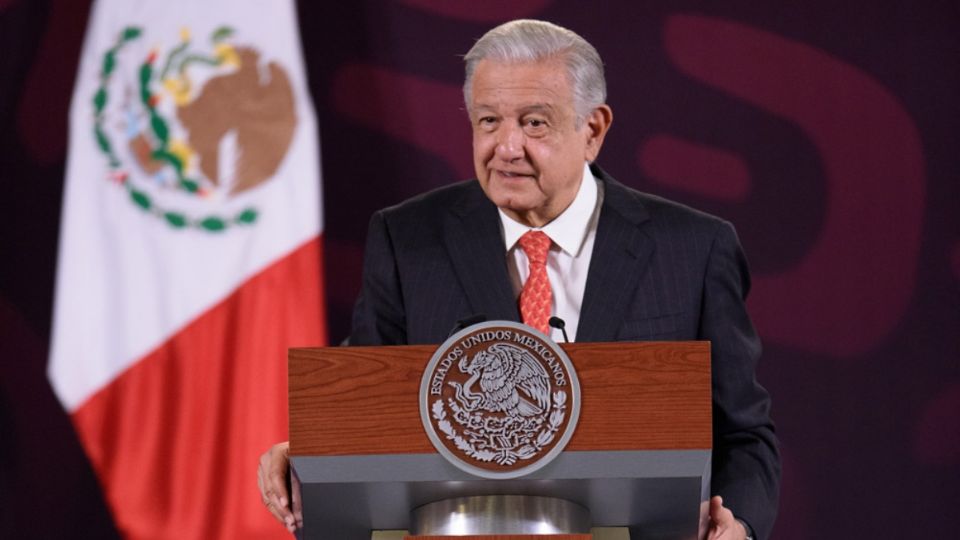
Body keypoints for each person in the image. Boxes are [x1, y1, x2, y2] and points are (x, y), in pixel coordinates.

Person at [258, 19, 779, 540]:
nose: (506, 147)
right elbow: (364, 410)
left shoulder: (692, 248)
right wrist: (309, 454)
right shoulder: (408, 240)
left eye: (534, 123)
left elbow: (743, 432)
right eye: (488, 121)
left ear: (592, 130)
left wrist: (740, 523)